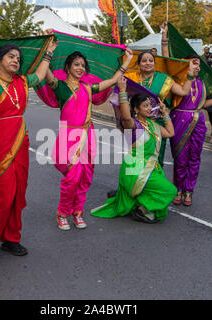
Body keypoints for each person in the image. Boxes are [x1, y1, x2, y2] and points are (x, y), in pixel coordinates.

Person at [0, 39, 57, 261]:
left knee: (18, 193)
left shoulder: (21, 81)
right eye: (11, 56)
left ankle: (11, 238)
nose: (16, 60)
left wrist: (48, 53)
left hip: (19, 142)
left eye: (18, 58)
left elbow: (41, 75)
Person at [43, 50, 134, 230]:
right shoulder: (60, 86)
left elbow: (112, 80)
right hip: (69, 138)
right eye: (76, 64)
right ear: (68, 67)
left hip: (88, 135)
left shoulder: (87, 87)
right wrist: (48, 52)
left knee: (85, 177)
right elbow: (46, 74)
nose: (80, 68)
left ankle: (77, 212)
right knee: (72, 178)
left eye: (83, 65)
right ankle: (62, 213)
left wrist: (128, 60)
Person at [91, 78, 177, 223]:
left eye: (150, 105)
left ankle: (125, 195)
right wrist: (123, 91)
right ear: (136, 109)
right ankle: (141, 209)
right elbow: (125, 115)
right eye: (145, 106)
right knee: (170, 191)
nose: (150, 108)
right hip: (135, 169)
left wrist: (164, 113)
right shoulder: (133, 125)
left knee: (160, 200)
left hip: (150, 169)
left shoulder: (153, 124)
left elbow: (170, 133)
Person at [124, 22, 197, 167]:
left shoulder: (164, 79)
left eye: (151, 60)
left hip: (157, 125)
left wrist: (189, 76)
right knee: (134, 159)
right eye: (144, 61)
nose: (148, 63)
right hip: (136, 124)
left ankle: (152, 187)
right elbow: (120, 91)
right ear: (138, 64)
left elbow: (183, 91)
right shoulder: (131, 77)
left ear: (155, 64)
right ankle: (130, 188)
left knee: (156, 160)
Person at [169, 54, 212, 206]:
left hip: (198, 122)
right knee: (180, 157)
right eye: (194, 64)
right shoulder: (178, 81)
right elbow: (168, 59)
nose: (197, 67)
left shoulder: (201, 83)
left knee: (194, 158)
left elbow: (201, 104)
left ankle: (189, 191)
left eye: (198, 65)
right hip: (179, 120)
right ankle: (178, 189)